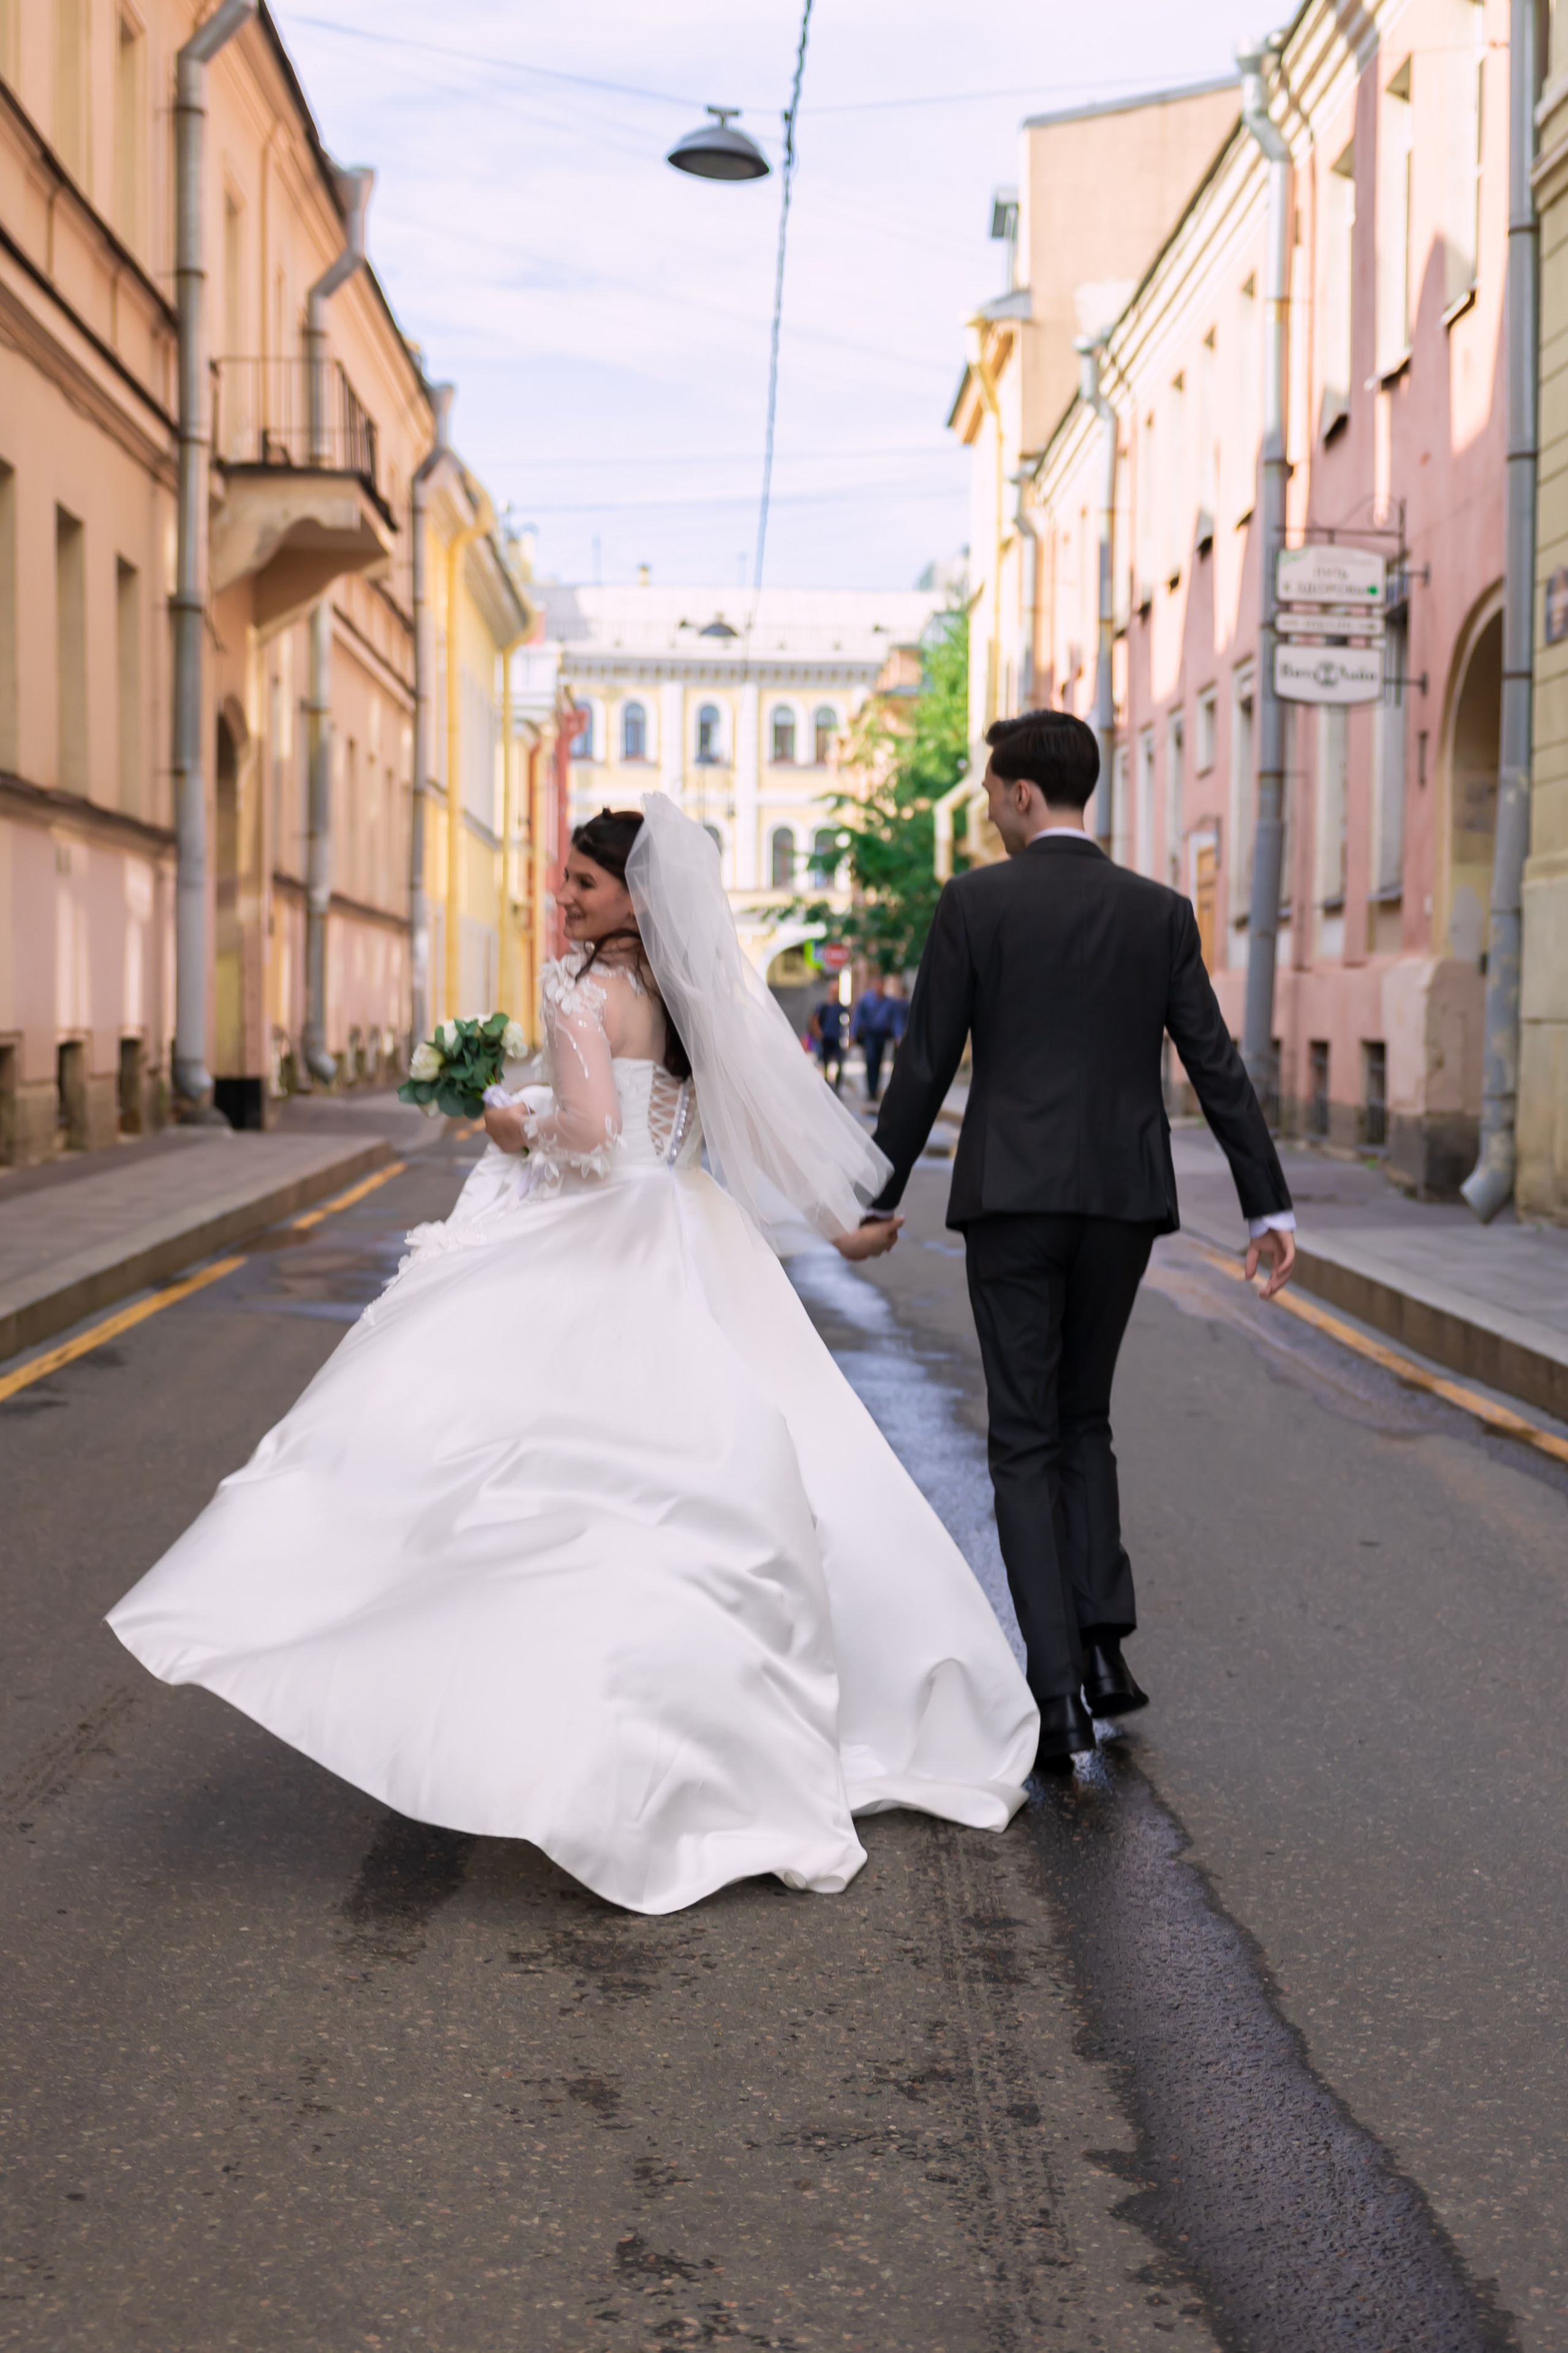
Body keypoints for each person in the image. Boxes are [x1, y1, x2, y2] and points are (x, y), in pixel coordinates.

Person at [107, 799, 1036, 1916]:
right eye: (564, 884)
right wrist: (839, 1227)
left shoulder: (579, 989)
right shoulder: (692, 1000)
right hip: (690, 1230)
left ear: (634, 896)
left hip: (604, 1239)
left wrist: (512, 1122)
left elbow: (594, 1136)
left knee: (534, 1477)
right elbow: (732, 1129)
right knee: (734, 1474)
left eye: (583, 886)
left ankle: (577, 1736)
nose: (564, 899)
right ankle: (707, 1721)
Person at [864, 711, 1295, 1773]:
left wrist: (874, 1194)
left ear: (1018, 794)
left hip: (1011, 1197)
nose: (989, 816)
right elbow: (1214, 1059)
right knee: (1083, 1419)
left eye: (989, 797)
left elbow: (924, 1064)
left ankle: (1054, 1694)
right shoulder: (1155, 912)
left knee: (1022, 1438)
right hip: (1118, 1199)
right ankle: (1103, 1651)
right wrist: (1268, 1205)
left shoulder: (974, 903)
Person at [853, 978, 896, 1100]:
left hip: (882, 1035)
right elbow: (858, 1018)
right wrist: (853, 1035)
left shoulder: (889, 1002)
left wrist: (898, 1036)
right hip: (870, 1034)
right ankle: (871, 1090)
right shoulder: (866, 1000)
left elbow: (895, 1020)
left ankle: (875, 1089)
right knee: (871, 1059)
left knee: (878, 1062)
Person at [812, 992, 846, 1092]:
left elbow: (847, 1020)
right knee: (826, 1061)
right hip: (827, 1038)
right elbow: (815, 1019)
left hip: (837, 1038)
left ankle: (837, 1086)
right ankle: (827, 1083)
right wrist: (818, 1032)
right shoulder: (824, 1007)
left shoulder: (841, 1008)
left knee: (839, 1061)